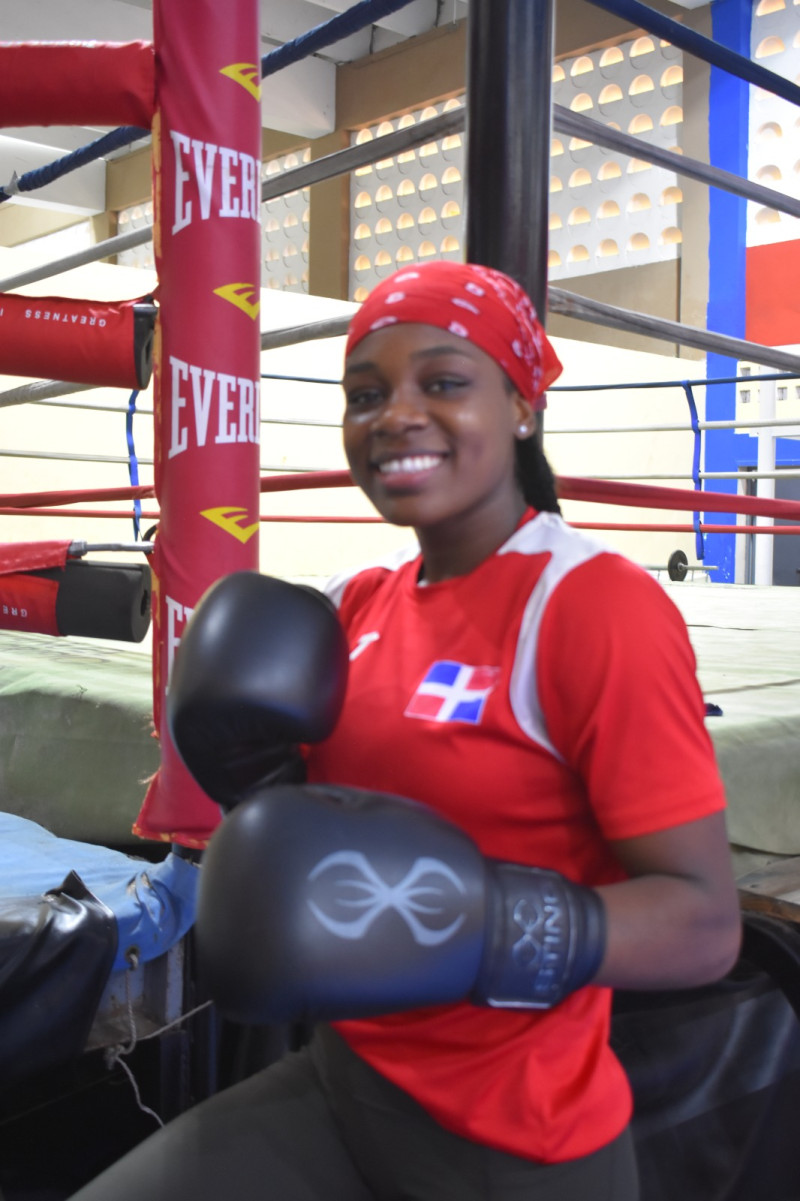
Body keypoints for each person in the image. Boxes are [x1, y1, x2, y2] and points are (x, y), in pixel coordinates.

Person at [69, 261, 741, 1201]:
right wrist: (256, 782)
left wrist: (491, 925)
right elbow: (326, 847)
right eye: (366, 394)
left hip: (517, 1146)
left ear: (521, 407)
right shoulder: (354, 605)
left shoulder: (592, 608)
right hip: (342, 1089)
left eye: (444, 382)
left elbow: (705, 924)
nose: (396, 415)